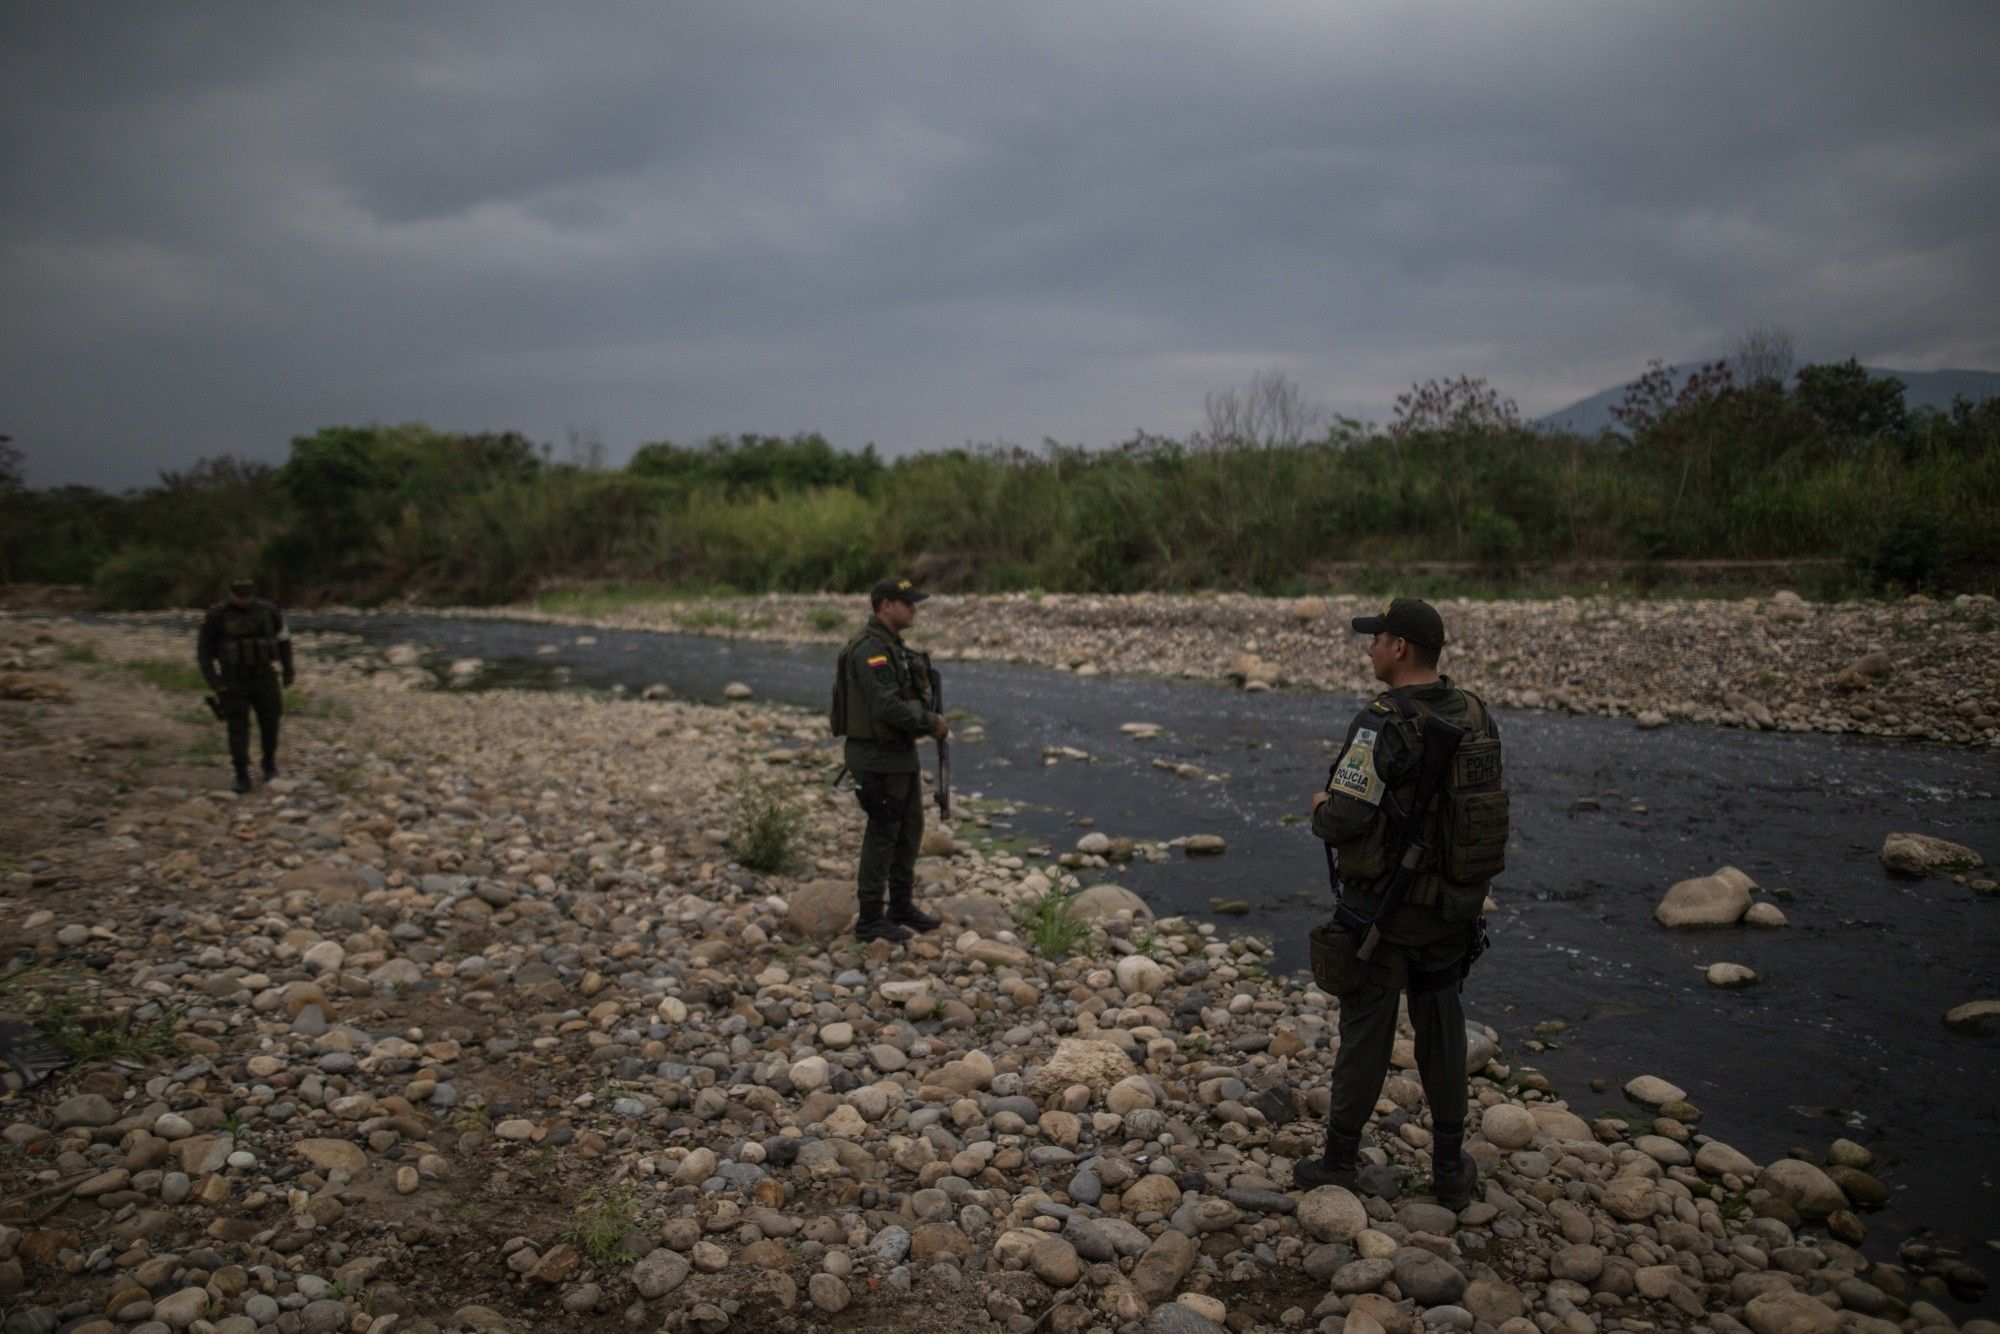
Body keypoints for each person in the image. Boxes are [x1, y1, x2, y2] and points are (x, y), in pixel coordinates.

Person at [1302, 597, 1504, 1209]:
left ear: (1399, 649)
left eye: (1376, 639)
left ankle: (1339, 1160)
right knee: (1441, 1027)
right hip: (1452, 908)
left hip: (1384, 911)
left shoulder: (1381, 721)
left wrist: (1316, 807)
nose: (1368, 649)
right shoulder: (1477, 714)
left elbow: (1341, 818)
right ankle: (1448, 1168)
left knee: (1367, 1028)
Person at [833, 577, 948, 942]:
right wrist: (929, 722)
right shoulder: (871, 650)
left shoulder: (893, 647)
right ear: (885, 605)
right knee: (883, 834)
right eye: (907, 602)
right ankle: (870, 918)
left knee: (909, 831)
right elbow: (885, 704)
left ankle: (900, 905)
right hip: (876, 756)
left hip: (898, 755)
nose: (914, 608)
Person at [197, 577, 294, 794]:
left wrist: (288, 669)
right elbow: (204, 651)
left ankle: (269, 764)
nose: (244, 600)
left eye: (247, 595)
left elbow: (283, 641)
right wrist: (214, 681)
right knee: (238, 727)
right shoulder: (217, 616)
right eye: (240, 595)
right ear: (230, 594)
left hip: (265, 675)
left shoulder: (268, 611)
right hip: (233, 679)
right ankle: (241, 773)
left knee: (270, 722)